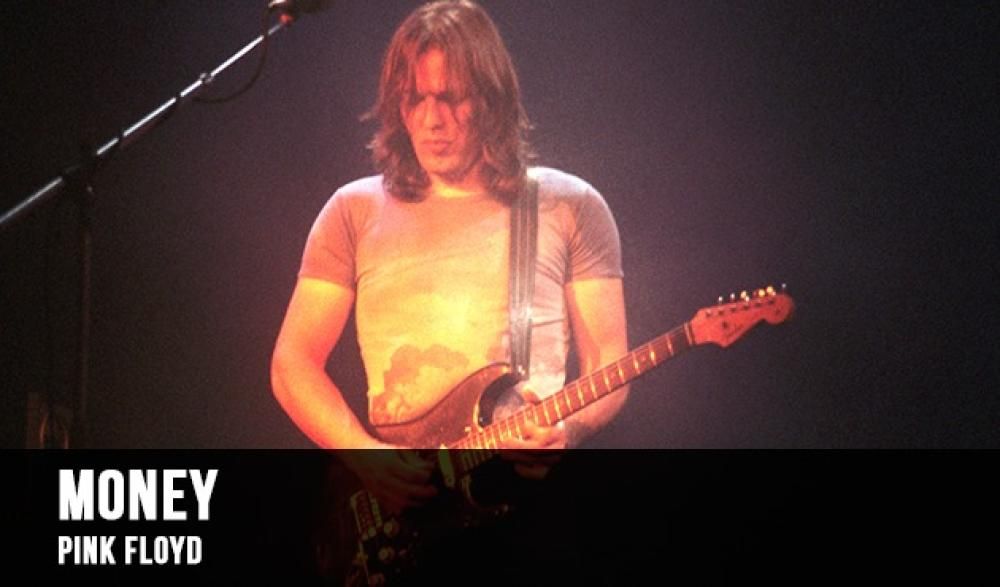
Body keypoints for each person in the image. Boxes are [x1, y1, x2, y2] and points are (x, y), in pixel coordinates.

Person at [270, 1, 629, 579]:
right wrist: (366, 457)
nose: (432, 119)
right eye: (415, 98)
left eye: (451, 97)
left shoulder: (571, 206)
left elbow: (610, 360)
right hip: (392, 516)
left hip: (523, 513)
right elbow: (293, 363)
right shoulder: (351, 211)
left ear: (491, 98)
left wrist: (566, 430)